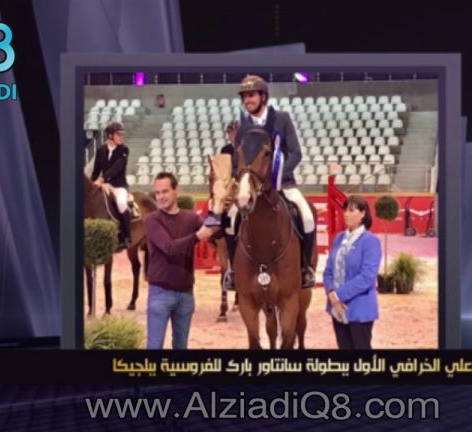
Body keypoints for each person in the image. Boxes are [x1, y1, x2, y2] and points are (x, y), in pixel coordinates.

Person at [223, 75, 317, 289]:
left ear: (263, 96)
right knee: (230, 219)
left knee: (307, 216)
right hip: (253, 187)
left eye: (252, 95)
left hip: (284, 183)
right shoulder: (243, 127)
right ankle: (233, 270)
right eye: (245, 97)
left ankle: (305, 268)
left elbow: (296, 152)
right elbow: (237, 160)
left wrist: (279, 174)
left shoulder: (282, 119)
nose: (248, 100)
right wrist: (242, 180)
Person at [144, 172, 219, 349]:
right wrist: (197, 236)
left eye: (165, 191)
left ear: (175, 190)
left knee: (181, 346)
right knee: (154, 346)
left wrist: (219, 208)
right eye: (157, 193)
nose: (161, 197)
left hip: (186, 294)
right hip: (160, 294)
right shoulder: (152, 220)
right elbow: (169, 248)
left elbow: (214, 229)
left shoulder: (191, 218)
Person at [322, 195, 382, 349]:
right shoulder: (338, 238)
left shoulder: (370, 241)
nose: (346, 214)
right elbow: (328, 271)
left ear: (362, 214)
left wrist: (338, 295)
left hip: (359, 309)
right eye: (345, 210)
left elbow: (367, 277)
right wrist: (331, 293)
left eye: (351, 210)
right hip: (336, 309)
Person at [91, 121, 131, 250]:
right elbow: (96, 170)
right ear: (110, 135)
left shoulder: (124, 150)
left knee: (121, 203)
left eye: (122, 134)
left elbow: (117, 167)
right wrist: (92, 185)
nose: (121, 136)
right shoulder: (100, 150)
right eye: (119, 134)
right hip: (105, 186)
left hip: (119, 186)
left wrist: (102, 179)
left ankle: (126, 237)